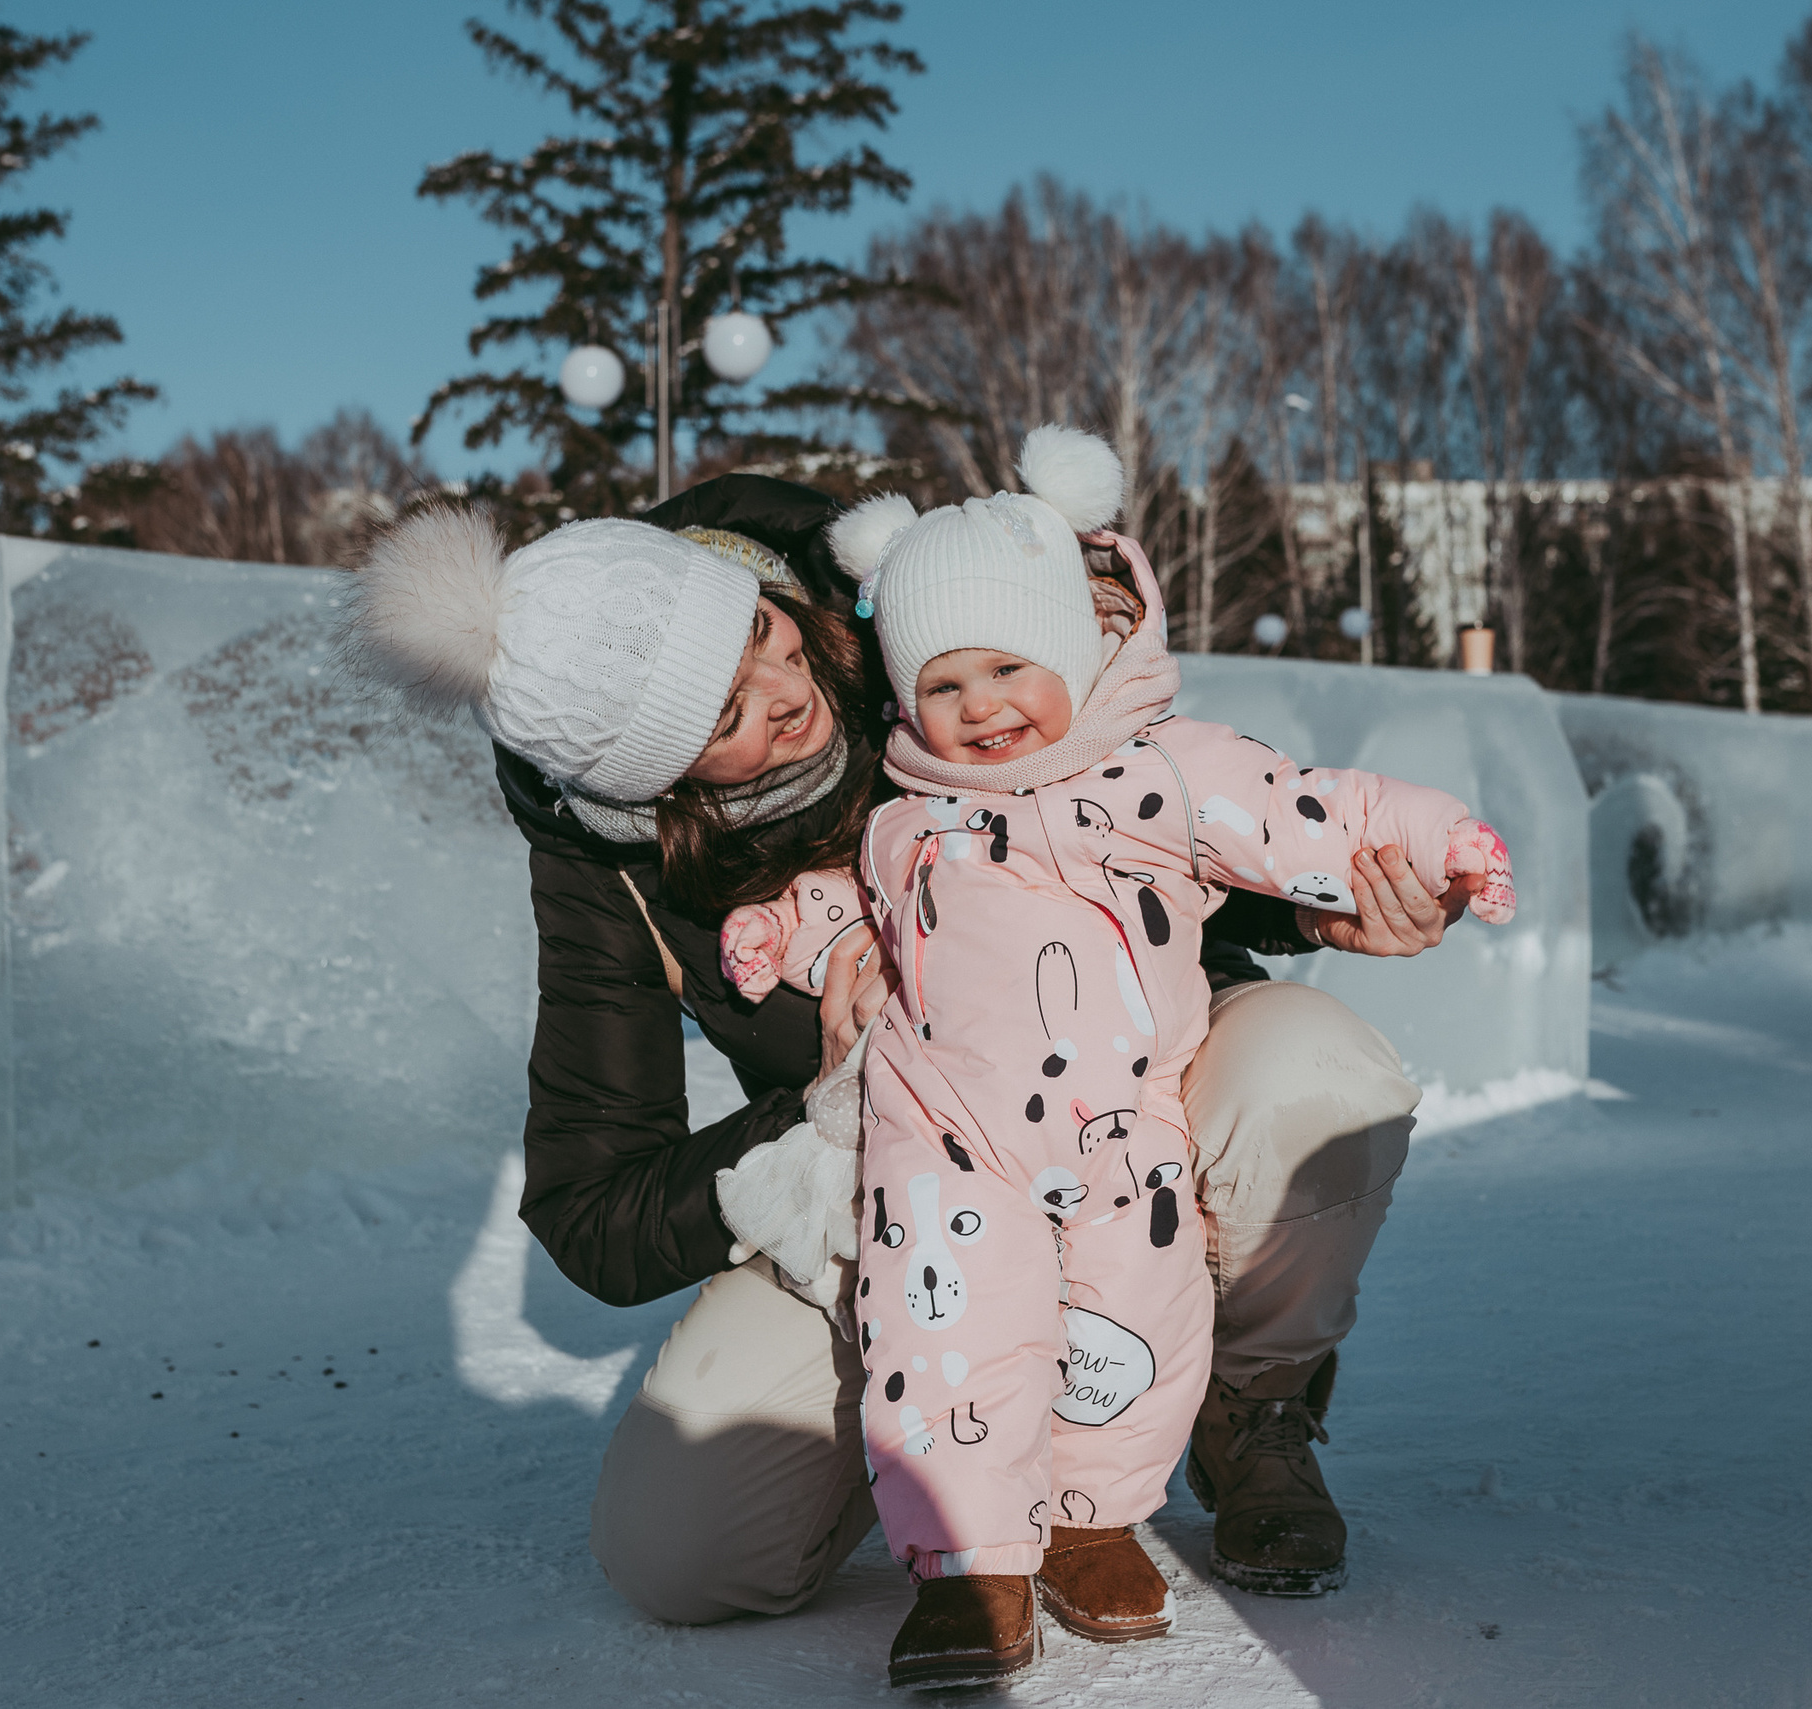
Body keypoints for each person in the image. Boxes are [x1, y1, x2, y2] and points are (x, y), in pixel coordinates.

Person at [339, 470, 1484, 1638]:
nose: (787, 693)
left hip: (1123, 1093)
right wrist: (821, 1106)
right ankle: (973, 1470)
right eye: (722, 716)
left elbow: (1141, 799)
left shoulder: (903, 608)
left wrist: (1322, 906)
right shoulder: (610, 867)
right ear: (657, 781)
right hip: (904, 1174)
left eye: (761, 634)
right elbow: (595, 1210)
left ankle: (1251, 1404)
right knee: (676, 1551)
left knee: (1308, 1068)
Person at [716, 428, 1515, 1687]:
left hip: (1118, 1127)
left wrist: (1438, 840)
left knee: (1129, 1318)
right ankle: (966, 1559)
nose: (978, 706)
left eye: (1005, 667)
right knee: (944, 1339)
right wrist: (779, 930)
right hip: (945, 1141)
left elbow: (1315, 805)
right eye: (942, 683)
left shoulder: (1156, 775)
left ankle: (1095, 1516)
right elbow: (852, 907)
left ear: (1077, 651)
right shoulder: (902, 818)